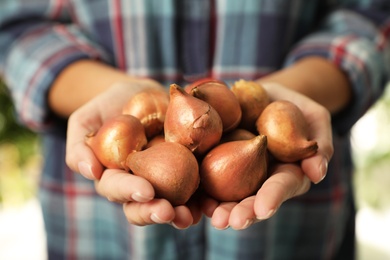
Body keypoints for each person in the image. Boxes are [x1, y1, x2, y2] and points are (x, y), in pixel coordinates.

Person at [1, 0, 389, 259]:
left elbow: (371, 15)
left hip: (294, 233)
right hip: (96, 232)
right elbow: (18, 26)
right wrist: (104, 96)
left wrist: (296, 95)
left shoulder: (226, 118)